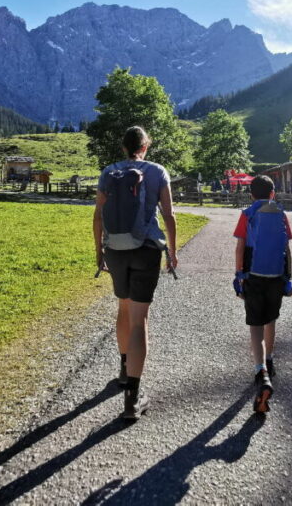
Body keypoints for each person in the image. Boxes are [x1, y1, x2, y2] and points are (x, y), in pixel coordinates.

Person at [93, 126, 178, 421]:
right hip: (146, 248)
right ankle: (132, 398)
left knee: (123, 309)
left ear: (124, 146)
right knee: (140, 319)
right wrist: (174, 251)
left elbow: (97, 216)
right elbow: (168, 214)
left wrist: (98, 251)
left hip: (115, 248)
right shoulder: (157, 171)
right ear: (146, 145)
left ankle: (123, 368)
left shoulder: (109, 172)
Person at [232, 174, 292, 415]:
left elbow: (240, 247)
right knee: (271, 320)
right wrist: (288, 279)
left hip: (253, 276)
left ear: (251, 195)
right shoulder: (281, 214)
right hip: (277, 276)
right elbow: (287, 249)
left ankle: (261, 372)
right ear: (272, 193)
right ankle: (270, 360)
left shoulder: (247, 214)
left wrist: (239, 276)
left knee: (255, 325)